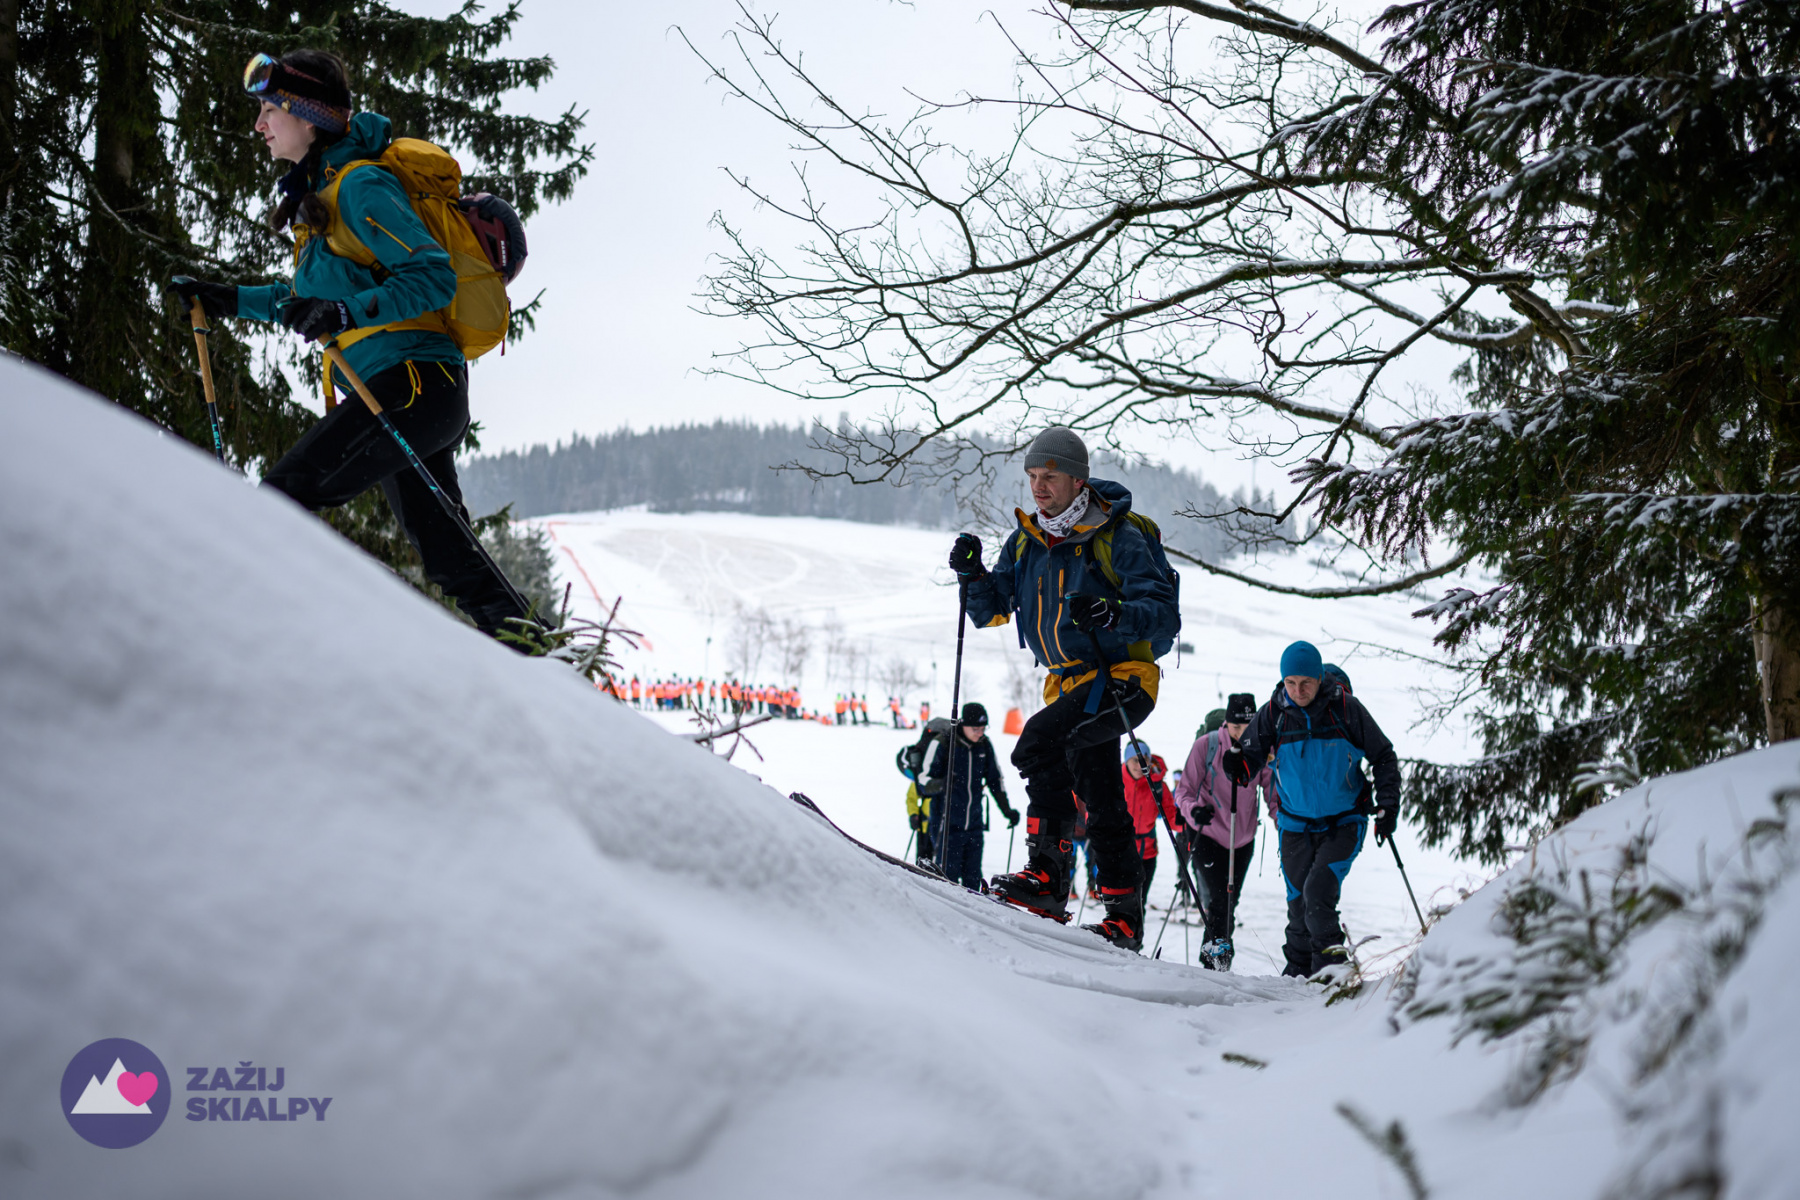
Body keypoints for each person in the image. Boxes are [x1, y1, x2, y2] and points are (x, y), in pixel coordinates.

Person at [171, 50, 526, 638]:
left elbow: (432, 276)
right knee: (451, 558)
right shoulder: (325, 197)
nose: (259, 124)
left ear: (307, 116)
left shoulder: (361, 186)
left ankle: (262, 634)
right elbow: (313, 303)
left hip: (413, 384)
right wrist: (227, 298)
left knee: (285, 494)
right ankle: (548, 662)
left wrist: (343, 311)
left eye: (269, 110)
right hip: (412, 390)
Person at [950, 426, 1180, 950]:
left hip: (1124, 678)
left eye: (1049, 476)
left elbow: (1162, 613)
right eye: (1032, 475)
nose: (1038, 486)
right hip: (1068, 686)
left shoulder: (1118, 535)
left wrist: (1113, 613)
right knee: (1101, 794)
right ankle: (1124, 917)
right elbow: (991, 612)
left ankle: (1048, 877)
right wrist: (972, 575)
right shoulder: (1027, 541)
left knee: (1037, 743)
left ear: (1078, 481)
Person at [1223, 642, 1400, 977]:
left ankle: (1331, 975)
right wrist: (1237, 766)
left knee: (1317, 896)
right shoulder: (1274, 713)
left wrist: (1388, 805)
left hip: (1344, 822)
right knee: (1298, 905)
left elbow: (1384, 756)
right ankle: (1298, 973)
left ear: (1319, 678)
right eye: (1290, 682)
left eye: (1306, 682)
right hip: (1294, 824)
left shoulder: (1346, 709)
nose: (1298, 690)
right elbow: (1249, 760)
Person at [1175, 693, 1277, 970]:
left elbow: (1272, 790)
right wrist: (1194, 811)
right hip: (1208, 834)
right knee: (1220, 899)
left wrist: (1281, 819)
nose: (1241, 734)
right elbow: (1183, 791)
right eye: (1235, 727)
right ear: (1226, 724)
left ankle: (1215, 956)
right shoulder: (1206, 746)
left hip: (1243, 838)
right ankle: (1216, 960)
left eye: (1247, 727)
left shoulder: (1260, 748)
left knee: (1230, 902)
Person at [921, 703, 1019, 889]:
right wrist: (942, 784)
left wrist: (1007, 810)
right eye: (975, 729)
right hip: (946, 826)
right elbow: (923, 781)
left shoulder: (984, 745)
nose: (980, 733)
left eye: (983, 728)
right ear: (963, 724)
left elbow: (995, 780)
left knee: (973, 879)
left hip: (974, 825)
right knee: (947, 879)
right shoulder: (943, 743)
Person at [1120, 739, 1179, 901]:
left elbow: (1172, 818)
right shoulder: (1115, 781)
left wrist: (1188, 820)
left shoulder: (1157, 785)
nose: (1140, 765)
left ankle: (1139, 918)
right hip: (1119, 851)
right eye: (1135, 760)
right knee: (1121, 902)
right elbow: (1099, 810)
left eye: (1144, 759)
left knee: (1140, 900)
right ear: (1126, 760)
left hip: (1147, 852)